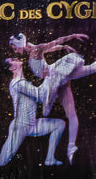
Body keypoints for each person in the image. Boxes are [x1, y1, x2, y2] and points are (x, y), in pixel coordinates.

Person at [13, 29, 96, 162]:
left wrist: (73, 35)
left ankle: (71, 147)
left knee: (54, 108)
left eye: (15, 48)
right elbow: (52, 47)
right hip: (57, 78)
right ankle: (71, 148)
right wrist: (64, 47)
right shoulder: (35, 49)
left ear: (20, 43)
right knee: (71, 113)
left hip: (55, 78)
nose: (15, 51)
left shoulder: (37, 49)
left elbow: (54, 42)